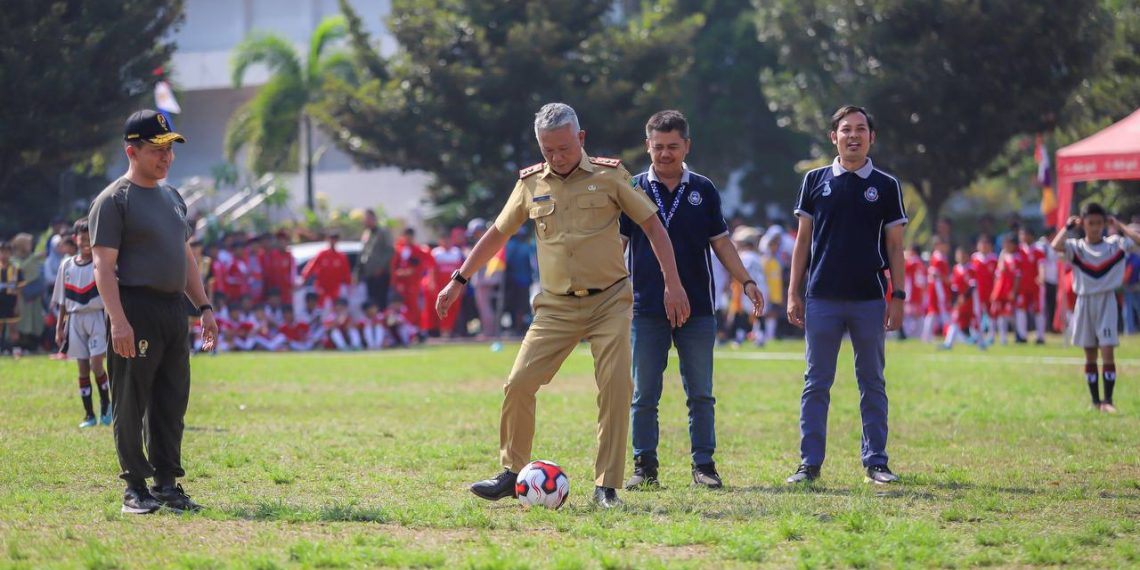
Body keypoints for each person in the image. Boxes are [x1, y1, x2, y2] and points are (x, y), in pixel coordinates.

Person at [435, 103, 689, 508]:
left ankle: (607, 486)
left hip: (610, 299)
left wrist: (672, 284)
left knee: (616, 386)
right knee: (518, 383)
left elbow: (652, 225)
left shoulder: (610, 176)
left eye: (564, 148)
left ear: (581, 139)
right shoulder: (530, 184)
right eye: (548, 150)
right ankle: (511, 472)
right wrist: (459, 279)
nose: (556, 157)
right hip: (555, 306)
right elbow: (498, 233)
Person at [620, 110, 764, 490]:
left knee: (700, 393)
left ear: (687, 146)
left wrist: (746, 281)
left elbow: (721, 243)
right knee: (643, 393)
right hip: (646, 308)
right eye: (657, 147)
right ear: (647, 146)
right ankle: (644, 466)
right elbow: (616, 246)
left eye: (672, 147)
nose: (665, 155)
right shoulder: (631, 188)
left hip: (698, 308)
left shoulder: (704, 189)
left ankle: (704, 465)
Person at [89, 109, 218, 514]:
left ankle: (166, 482)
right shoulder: (114, 201)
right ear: (132, 151)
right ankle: (134, 488)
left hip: (172, 310)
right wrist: (118, 320)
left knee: (171, 398)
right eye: (156, 149)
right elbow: (103, 267)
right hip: (135, 307)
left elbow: (185, 257)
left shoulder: (173, 197)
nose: (166, 157)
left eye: (169, 149)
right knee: (131, 399)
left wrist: (204, 306)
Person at [785, 105, 907, 485]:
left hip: (869, 298)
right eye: (845, 130)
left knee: (872, 381)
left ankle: (876, 462)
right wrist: (793, 293)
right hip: (821, 297)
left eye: (860, 129)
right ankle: (809, 464)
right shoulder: (814, 181)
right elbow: (802, 243)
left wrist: (898, 296)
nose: (853, 136)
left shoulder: (887, 186)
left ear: (872, 136)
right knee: (816, 382)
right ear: (832, 137)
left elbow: (896, 247)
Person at [1050, 204, 1140, 413]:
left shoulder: (1114, 244)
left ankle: (1108, 400)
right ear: (1084, 224)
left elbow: (1138, 241)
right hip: (1084, 301)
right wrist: (1067, 227)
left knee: (1107, 350)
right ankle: (1095, 401)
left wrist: (1120, 226)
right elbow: (1055, 246)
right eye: (1091, 223)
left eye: (1099, 223)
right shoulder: (1076, 247)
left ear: (1104, 223)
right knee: (1089, 353)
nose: (1095, 228)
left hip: (1107, 300)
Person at [52, 219, 112, 428]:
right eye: (82, 238)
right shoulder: (66, 265)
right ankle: (89, 414)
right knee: (82, 368)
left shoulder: (99, 263)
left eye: (89, 238)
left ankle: (106, 405)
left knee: (97, 364)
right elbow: (62, 300)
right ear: (75, 239)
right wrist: (60, 326)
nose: (86, 242)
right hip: (75, 319)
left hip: (95, 316)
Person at [390, 228, 435, 338]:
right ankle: (404, 333)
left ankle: (417, 331)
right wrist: (397, 276)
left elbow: (429, 265)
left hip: (413, 284)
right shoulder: (398, 250)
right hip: (401, 285)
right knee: (400, 309)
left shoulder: (418, 250)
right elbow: (393, 267)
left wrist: (429, 280)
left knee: (414, 308)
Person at [301, 231, 351, 309]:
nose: (333, 241)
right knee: (319, 307)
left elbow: (346, 273)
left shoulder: (341, 256)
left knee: (336, 307)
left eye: (335, 239)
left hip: (335, 287)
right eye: (331, 239)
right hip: (321, 286)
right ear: (328, 240)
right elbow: (311, 267)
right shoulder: (322, 254)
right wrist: (304, 278)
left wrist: (349, 284)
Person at [941, 246, 978, 350]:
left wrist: (964, 297)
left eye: (962, 255)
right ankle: (948, 343)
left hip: (969, 302)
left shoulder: (971, 269)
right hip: (960, 302)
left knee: (973, 323)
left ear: (967, 256)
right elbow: (954, 287)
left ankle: (980, 342)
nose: (960, 257)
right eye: (958, 255)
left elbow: (972, 286)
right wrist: (955, 300)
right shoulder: (956, 269)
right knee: (956, 321)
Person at [358, 209, 394, 310]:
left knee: (381, 302)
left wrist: (381, 267)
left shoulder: (382, 232)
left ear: (374, 219)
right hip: (369, 274)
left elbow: (390, 250)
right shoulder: (366, 233)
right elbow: (363, 253)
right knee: (371, 302)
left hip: (380, 274)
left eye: (369, 218)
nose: (366, 221)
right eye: (365, 218)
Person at [1017, 227, 1047, 344]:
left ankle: (1040, 336)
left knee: (1038, 310)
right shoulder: (1018, 250)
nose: (1023, 237)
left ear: (1031, 236)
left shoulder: (1038, 250)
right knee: (1021, 309)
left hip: (1035, 286)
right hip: (1022, 286)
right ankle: (1022, 336)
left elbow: (1041, 264)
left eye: (1025, 235)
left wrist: (1041, 276)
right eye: (1021, 235)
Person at [991, 235, 1021, 345]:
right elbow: (999, 272)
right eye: (1005, 243)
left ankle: (1018, 334)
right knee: (999, 314)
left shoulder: (1017, 258)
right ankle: (1002, 338)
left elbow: (1017, 276)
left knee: (1010, 314)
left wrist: (1014, 290)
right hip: (1000, 290)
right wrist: (995, 290)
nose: (1007, 246)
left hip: (1009, 290)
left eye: (1009, 243)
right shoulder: (1002, 257)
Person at [922, 236, 951, 343]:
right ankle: (950, 333)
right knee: (937, 311)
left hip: (937, 288)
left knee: (934, 311)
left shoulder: (939, 257)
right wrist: (947, 280)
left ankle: (928, 335)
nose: (947, 247)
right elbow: (936, 275)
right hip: (937, 288)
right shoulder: (938, 258)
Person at [0, 240, 24, 356]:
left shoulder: (16, 268)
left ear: (11, 253)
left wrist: (18, 304)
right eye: (1, 252)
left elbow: (19, 289)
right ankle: (2, 349)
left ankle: (16, 350)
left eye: (6, 252)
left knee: (13, 327)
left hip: (11, 300)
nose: (3, 255)